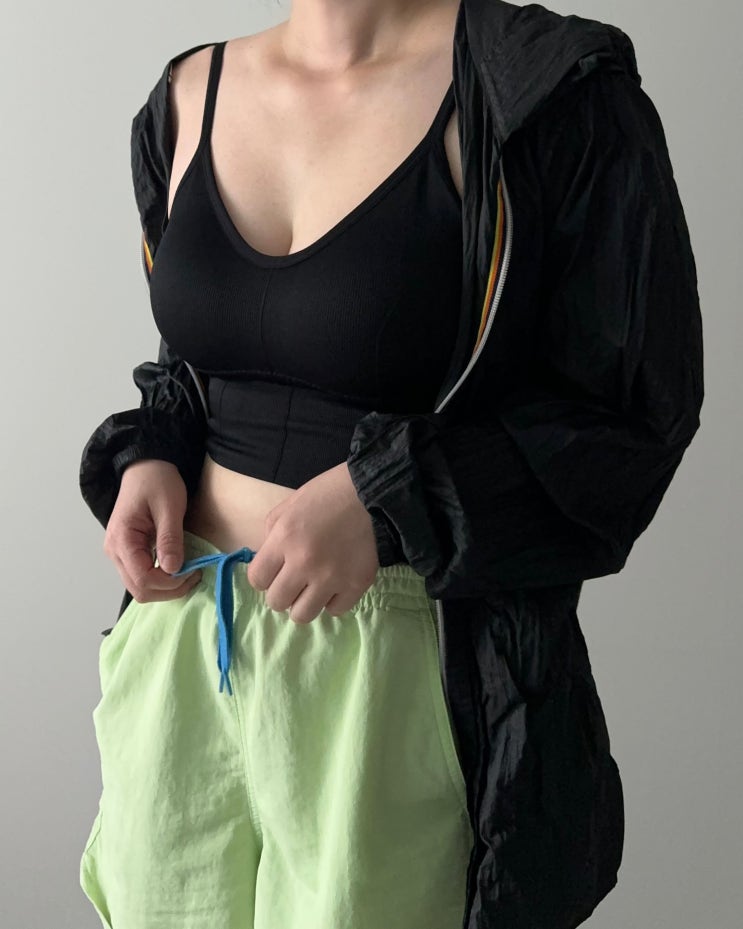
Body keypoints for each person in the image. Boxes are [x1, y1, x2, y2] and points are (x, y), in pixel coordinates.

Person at [78, 1, 704, 927]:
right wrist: (154, 456)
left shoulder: (546, 94)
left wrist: (387, 501)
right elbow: (194, 365)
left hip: (397, 662)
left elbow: (631, 420)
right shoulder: (184, 93)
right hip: (182, 638)